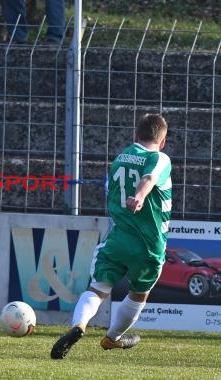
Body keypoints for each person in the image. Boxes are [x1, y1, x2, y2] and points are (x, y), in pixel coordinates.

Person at [50, 113, 172, 359]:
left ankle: (79, 326)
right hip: (149, 244)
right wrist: (139, 197)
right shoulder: (159, 158)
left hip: (117, 239)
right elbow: (149, 178)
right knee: (138, 294)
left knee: (97, 288)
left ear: (135, 135)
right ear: (163, 141)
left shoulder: (120, 158)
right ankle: (112, 338)